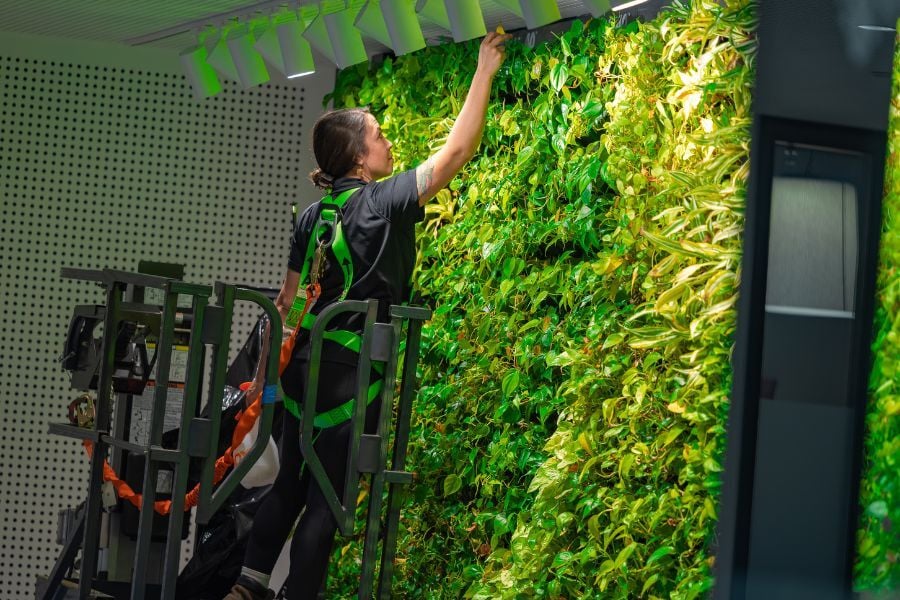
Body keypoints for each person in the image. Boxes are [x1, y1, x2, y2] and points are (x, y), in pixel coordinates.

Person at [224, 29, 512, 600]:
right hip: (348, 373)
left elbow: (286, 302)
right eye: (378, 135)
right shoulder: (380, 204)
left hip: (300, 367)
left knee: (290, 480)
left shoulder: (312, 217)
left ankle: (249, 586)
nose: (387, 143)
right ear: (359, 155)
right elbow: (454, 153)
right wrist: (484, 70)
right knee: (329, 495)